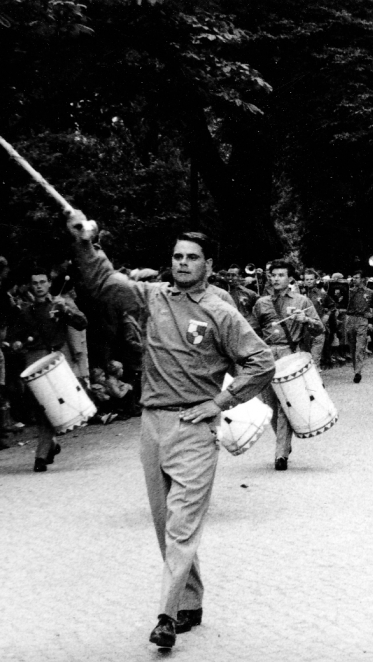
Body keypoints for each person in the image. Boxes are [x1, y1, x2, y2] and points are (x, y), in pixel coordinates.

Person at [67, 211, 275, 648]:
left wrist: (219, 402)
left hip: (194, 428)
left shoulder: (221, 312)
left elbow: (262, 362)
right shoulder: (152, 298)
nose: (181, 263)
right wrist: (85, 243)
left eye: (192, 257)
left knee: (181, 526)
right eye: (177, 256)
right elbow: (105, 282)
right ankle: (191, 600)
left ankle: (166, 616)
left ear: (208, 265)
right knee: (167, 525)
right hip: (151, 425)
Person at [10, 269, 88, 472]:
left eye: (42, 282)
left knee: (48, 406)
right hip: (33, 360)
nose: (38, 286)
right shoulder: (24, 311)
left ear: (48, 284)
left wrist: (66, 312)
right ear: (30, 285)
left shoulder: (60, 304)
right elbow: (15, 336)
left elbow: (82, 324)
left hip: (55, 362)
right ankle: (50, 444)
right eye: (34, 282)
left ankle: (41, 455)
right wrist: (17, 343)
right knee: (39, 407)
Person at [252, 260, 325, 470]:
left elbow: (319, 329)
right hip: (266, 355)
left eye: (281, 275)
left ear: (290, 278)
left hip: (289, 354)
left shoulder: (302, 301)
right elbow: (253, 330)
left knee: (286, 404)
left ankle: (280, 454)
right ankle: (283, 443)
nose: (276, 279)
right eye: (273, 275)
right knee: (269, 404)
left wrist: (305, 320)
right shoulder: (261, 303)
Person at [344, 270, 373, 383]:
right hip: (350, 319)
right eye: (353, 277)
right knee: (352, 347)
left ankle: (358, 372)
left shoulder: (370, 292)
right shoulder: (349, 291)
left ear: (363, 279)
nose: (354, 279)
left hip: (362, 319)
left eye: (357, 277)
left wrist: (372, 317)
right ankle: (355, 368)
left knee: (360, 347)